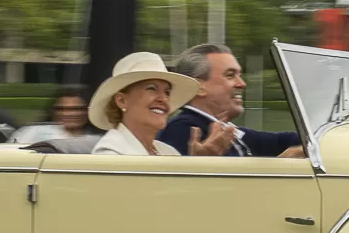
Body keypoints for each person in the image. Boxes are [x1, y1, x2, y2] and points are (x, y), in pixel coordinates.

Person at [156, 43, 306, 158]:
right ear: (199, 87)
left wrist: (315, 141)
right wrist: (282, 163)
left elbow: (284, 141)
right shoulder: (183, 130)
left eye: (239, 75)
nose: (242, 83)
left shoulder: (224, 130)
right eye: (230, 75)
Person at [89, 53, 238, 158]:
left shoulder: (168, 152)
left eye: (167, 92)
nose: (163, 99)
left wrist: (199, 164)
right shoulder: (110, 153)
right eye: (151, 88)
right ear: (122, 100)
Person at [12, 89, 101, 152]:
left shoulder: (98, 139)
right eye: (61, 109)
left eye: (77, 109)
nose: (69, 114)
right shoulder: (32, 132)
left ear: (87, 111)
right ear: (53, 112)